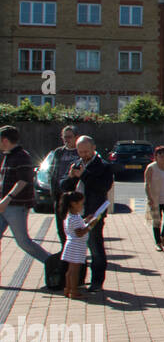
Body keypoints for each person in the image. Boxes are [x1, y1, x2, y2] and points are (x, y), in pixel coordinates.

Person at [60, 135, 113, 294]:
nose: (83, 155)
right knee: (76, 248)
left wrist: (84, 175)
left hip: (93, 212)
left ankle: (97, 282)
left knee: (95, 246)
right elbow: (63, 186)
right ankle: (78, 280)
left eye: (86, 151)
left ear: (93, 148)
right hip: (76, 213)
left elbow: (103, 187)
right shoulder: (76, 164)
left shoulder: (103, 166)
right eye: (80, 151)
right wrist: (70, 177)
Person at [0, 125, 52, 265]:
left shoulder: (21, 156)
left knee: (23, 242)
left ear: (5, 140)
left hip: (15, 206)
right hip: (4, 206)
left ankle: (51, 262)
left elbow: (23, 180)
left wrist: (7, 199)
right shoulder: (8, 156)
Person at [58, 191, 100, 300]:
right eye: (80, 204)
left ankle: (67, 289)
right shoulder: (75, 218)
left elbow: (78, 225)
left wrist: (86, 220)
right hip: (77, 246)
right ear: (73, 203)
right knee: (75, 271)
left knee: (70, 270)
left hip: (71, 244)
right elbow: (80, 232)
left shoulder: (71, 216)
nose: (82, 206)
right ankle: (74, 290)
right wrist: (90, 226)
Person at [50, 125, 80, 245]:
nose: (66, 139)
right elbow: (53, 172)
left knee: (74, 224)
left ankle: (76, 251)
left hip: (74, 194)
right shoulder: (59, 152)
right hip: (59, 193)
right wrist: (53, 191)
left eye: (69, 137)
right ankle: (64, 248)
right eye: (64, 137)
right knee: (60, 225)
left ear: (76, 137)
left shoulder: (80, 151)